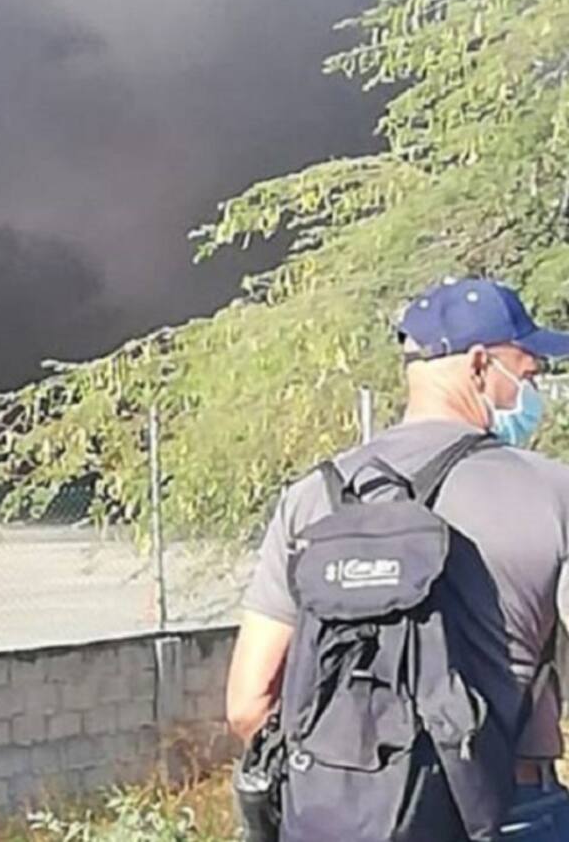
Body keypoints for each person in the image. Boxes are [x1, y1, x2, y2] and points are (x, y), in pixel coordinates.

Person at [226, 277, 569, 839]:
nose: (535, 389)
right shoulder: (552, 492)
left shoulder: (315, 495)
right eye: (528, 372)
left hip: (340, 819)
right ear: (481, 366)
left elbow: (247, 705)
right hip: (510, 811)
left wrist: (360, 792)